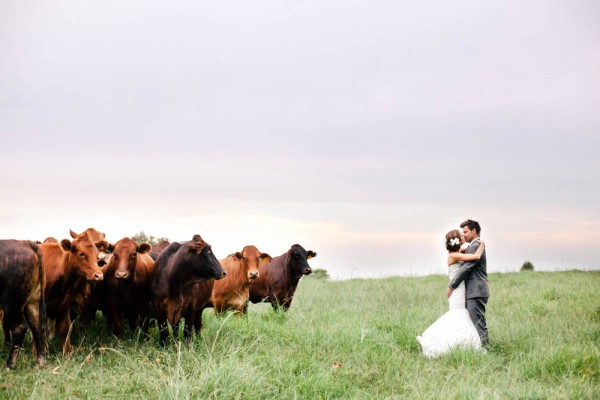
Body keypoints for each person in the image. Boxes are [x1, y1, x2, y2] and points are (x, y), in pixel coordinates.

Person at [417, 229, 486, 357]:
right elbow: (476, 257)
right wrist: (482, 244)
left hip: (460, 289)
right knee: (458, 314)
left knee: (462, 314)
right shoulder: (454, 255)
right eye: (461, 236)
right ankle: (453, 343)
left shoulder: (457, 253)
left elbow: (466, 248)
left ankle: (462, 343)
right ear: (458, 240)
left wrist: (468, 245)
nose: (464, 237)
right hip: (457, 291)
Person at [447, 219, 490, 346]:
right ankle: (474, 347)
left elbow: (466, 268)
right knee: (472, 322)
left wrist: (451, 286)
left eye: (465, 232)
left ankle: (485, 349)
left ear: (474, 231)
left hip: (475, 290)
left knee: (478, 323)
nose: (464, 235)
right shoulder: (473, 246)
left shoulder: (476, 245)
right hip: (473, 290)